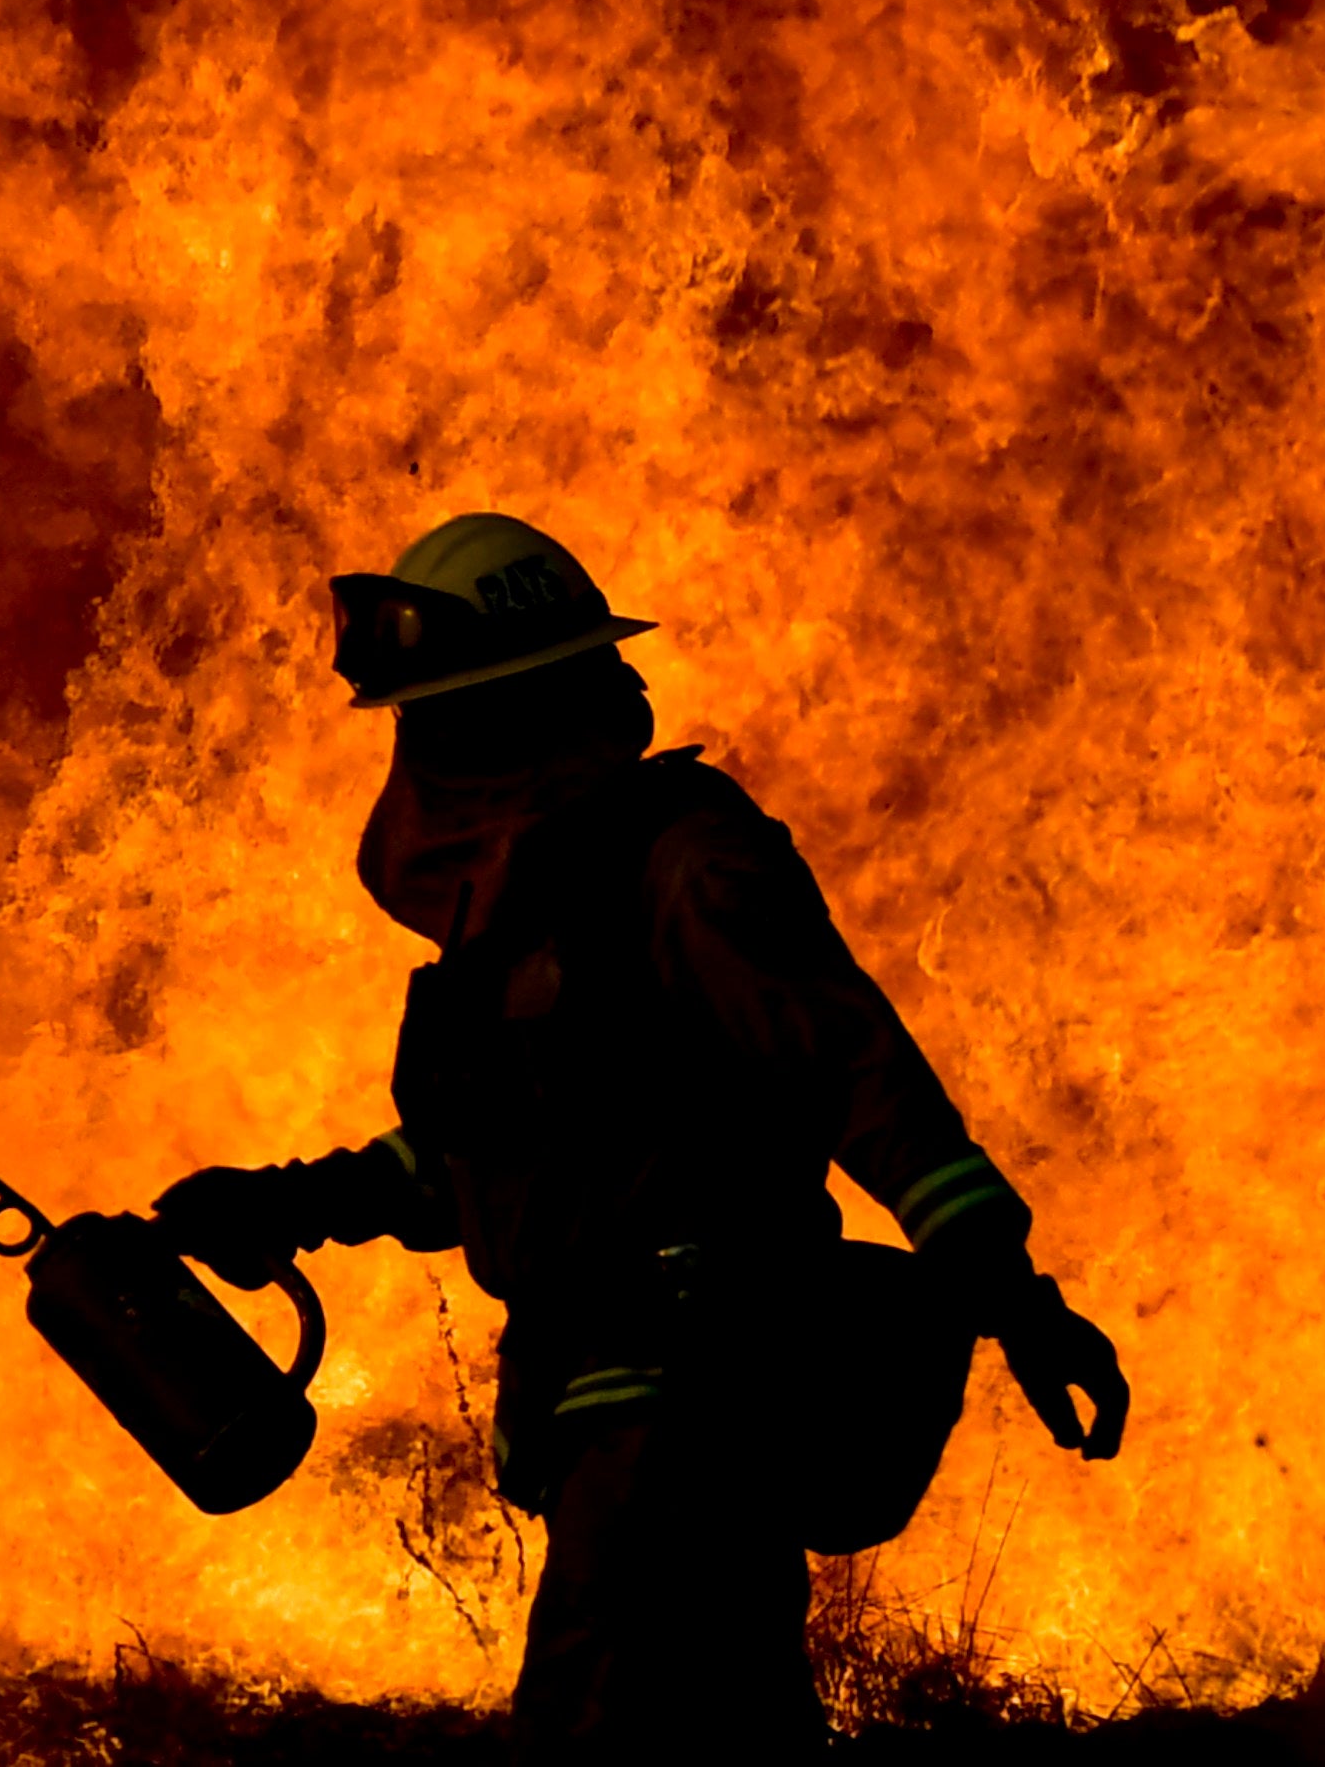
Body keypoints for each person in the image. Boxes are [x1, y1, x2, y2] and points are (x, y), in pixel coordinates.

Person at [154, 512, 1129, 1754]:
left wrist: (1013, 1297)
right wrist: (288, 1203)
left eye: (447, 722)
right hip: (608, 1420)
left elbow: (862, 1077)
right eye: (418, 726)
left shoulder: (683, 868)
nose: (426, 760)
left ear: (526, 713)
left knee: (594, 1726)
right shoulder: (533, 908)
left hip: (693, 1408)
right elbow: (497, 1145)